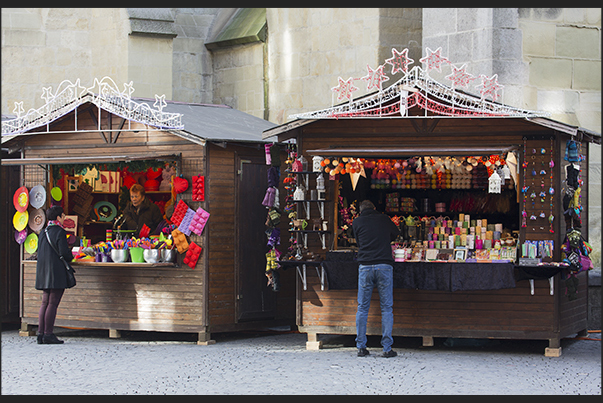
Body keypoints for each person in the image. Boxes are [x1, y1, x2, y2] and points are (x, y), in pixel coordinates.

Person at [351, 200, 400, 358]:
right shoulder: (384, 219)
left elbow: (358, 242)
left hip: (365, 266)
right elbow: (396, 233)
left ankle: (361, 347)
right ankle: (386, 348)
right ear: (374, 208)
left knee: (362, 308)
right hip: (384, 265)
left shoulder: (357, 222)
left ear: (360, 210)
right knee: (386, 308)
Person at [35, 206, 73, 344]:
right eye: (63, 216)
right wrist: (71, 255)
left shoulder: (43, 232)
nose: (64, 218)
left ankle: (41, 334)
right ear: (58, 217)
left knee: (44, 302)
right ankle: (49, 334)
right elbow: (64, 253)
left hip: (43, 271)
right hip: (56, 271)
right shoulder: (59, 232)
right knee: (52, 303)